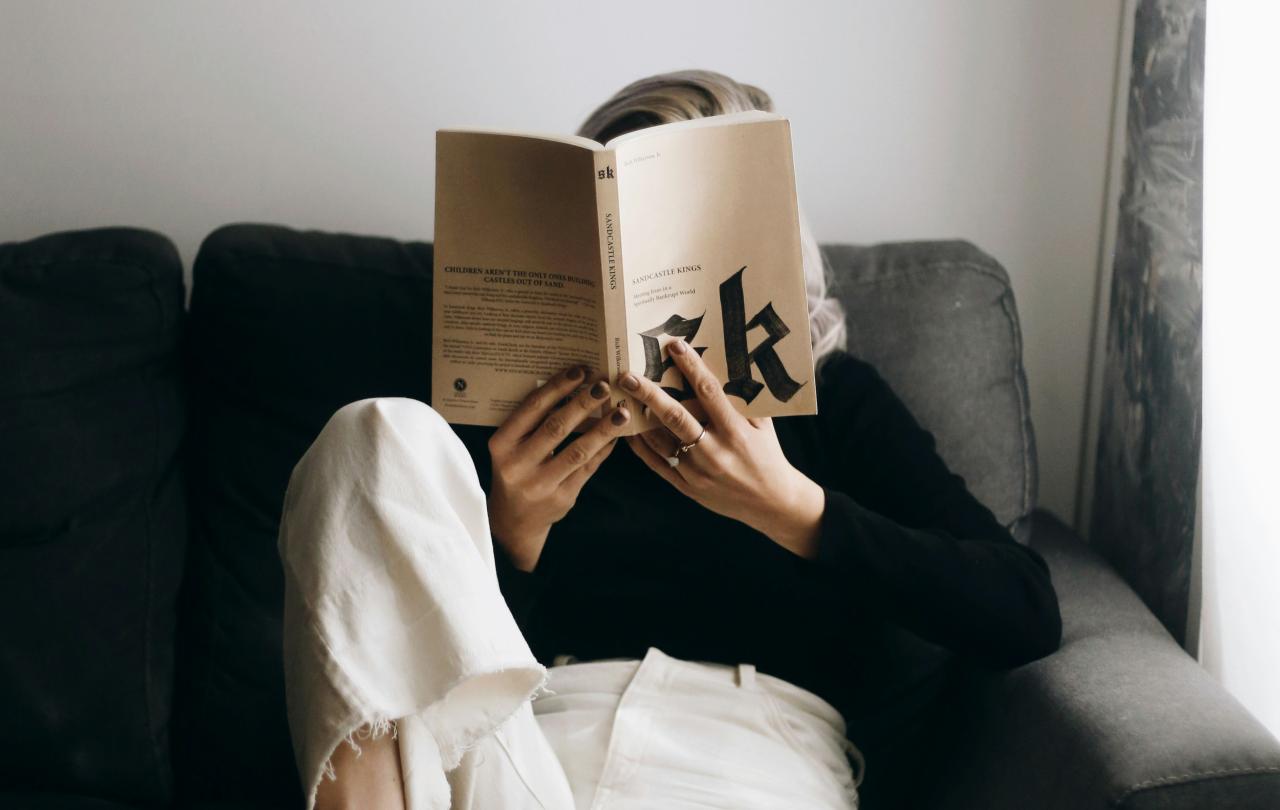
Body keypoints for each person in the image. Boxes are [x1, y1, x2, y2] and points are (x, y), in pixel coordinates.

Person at [278, 70, 1062, 810]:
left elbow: (1021, 612)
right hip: (530, 754)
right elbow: (440, 665)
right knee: (372, 432)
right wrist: (514, 531)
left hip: (750, 764)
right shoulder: (518, 412)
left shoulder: (837, 402)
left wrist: (793, 508)